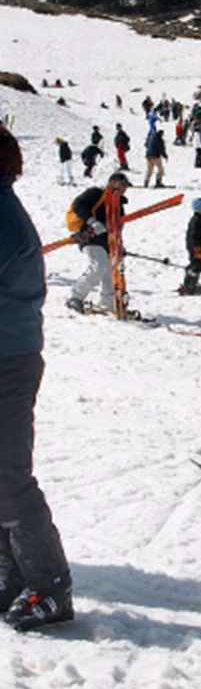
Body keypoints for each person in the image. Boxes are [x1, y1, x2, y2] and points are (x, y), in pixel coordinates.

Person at [0, 127, 73, 631]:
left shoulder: (2, 215)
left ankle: (50, 587)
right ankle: (11, 576)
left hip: (9, 358)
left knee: (9, 475)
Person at [66, 172, 130, 314]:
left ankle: (108, 303)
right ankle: (75, 297)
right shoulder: (96, 193)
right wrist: (92, 222)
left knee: (110, 272)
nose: (124, 189)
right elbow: (78, 205)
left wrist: (120, 246)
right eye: (123, 185)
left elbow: (118, 228)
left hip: (108, 242)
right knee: (99, 266)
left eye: (126, 187)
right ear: (113, 183)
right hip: (90, 237)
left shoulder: (119, 204)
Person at [179, 198, 201, 295]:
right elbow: (193, 237)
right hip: (197, 248)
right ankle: (190, 286)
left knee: (198, 265)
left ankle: (191, 283)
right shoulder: (196, 221)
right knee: (197, 266)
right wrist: (197, 249)